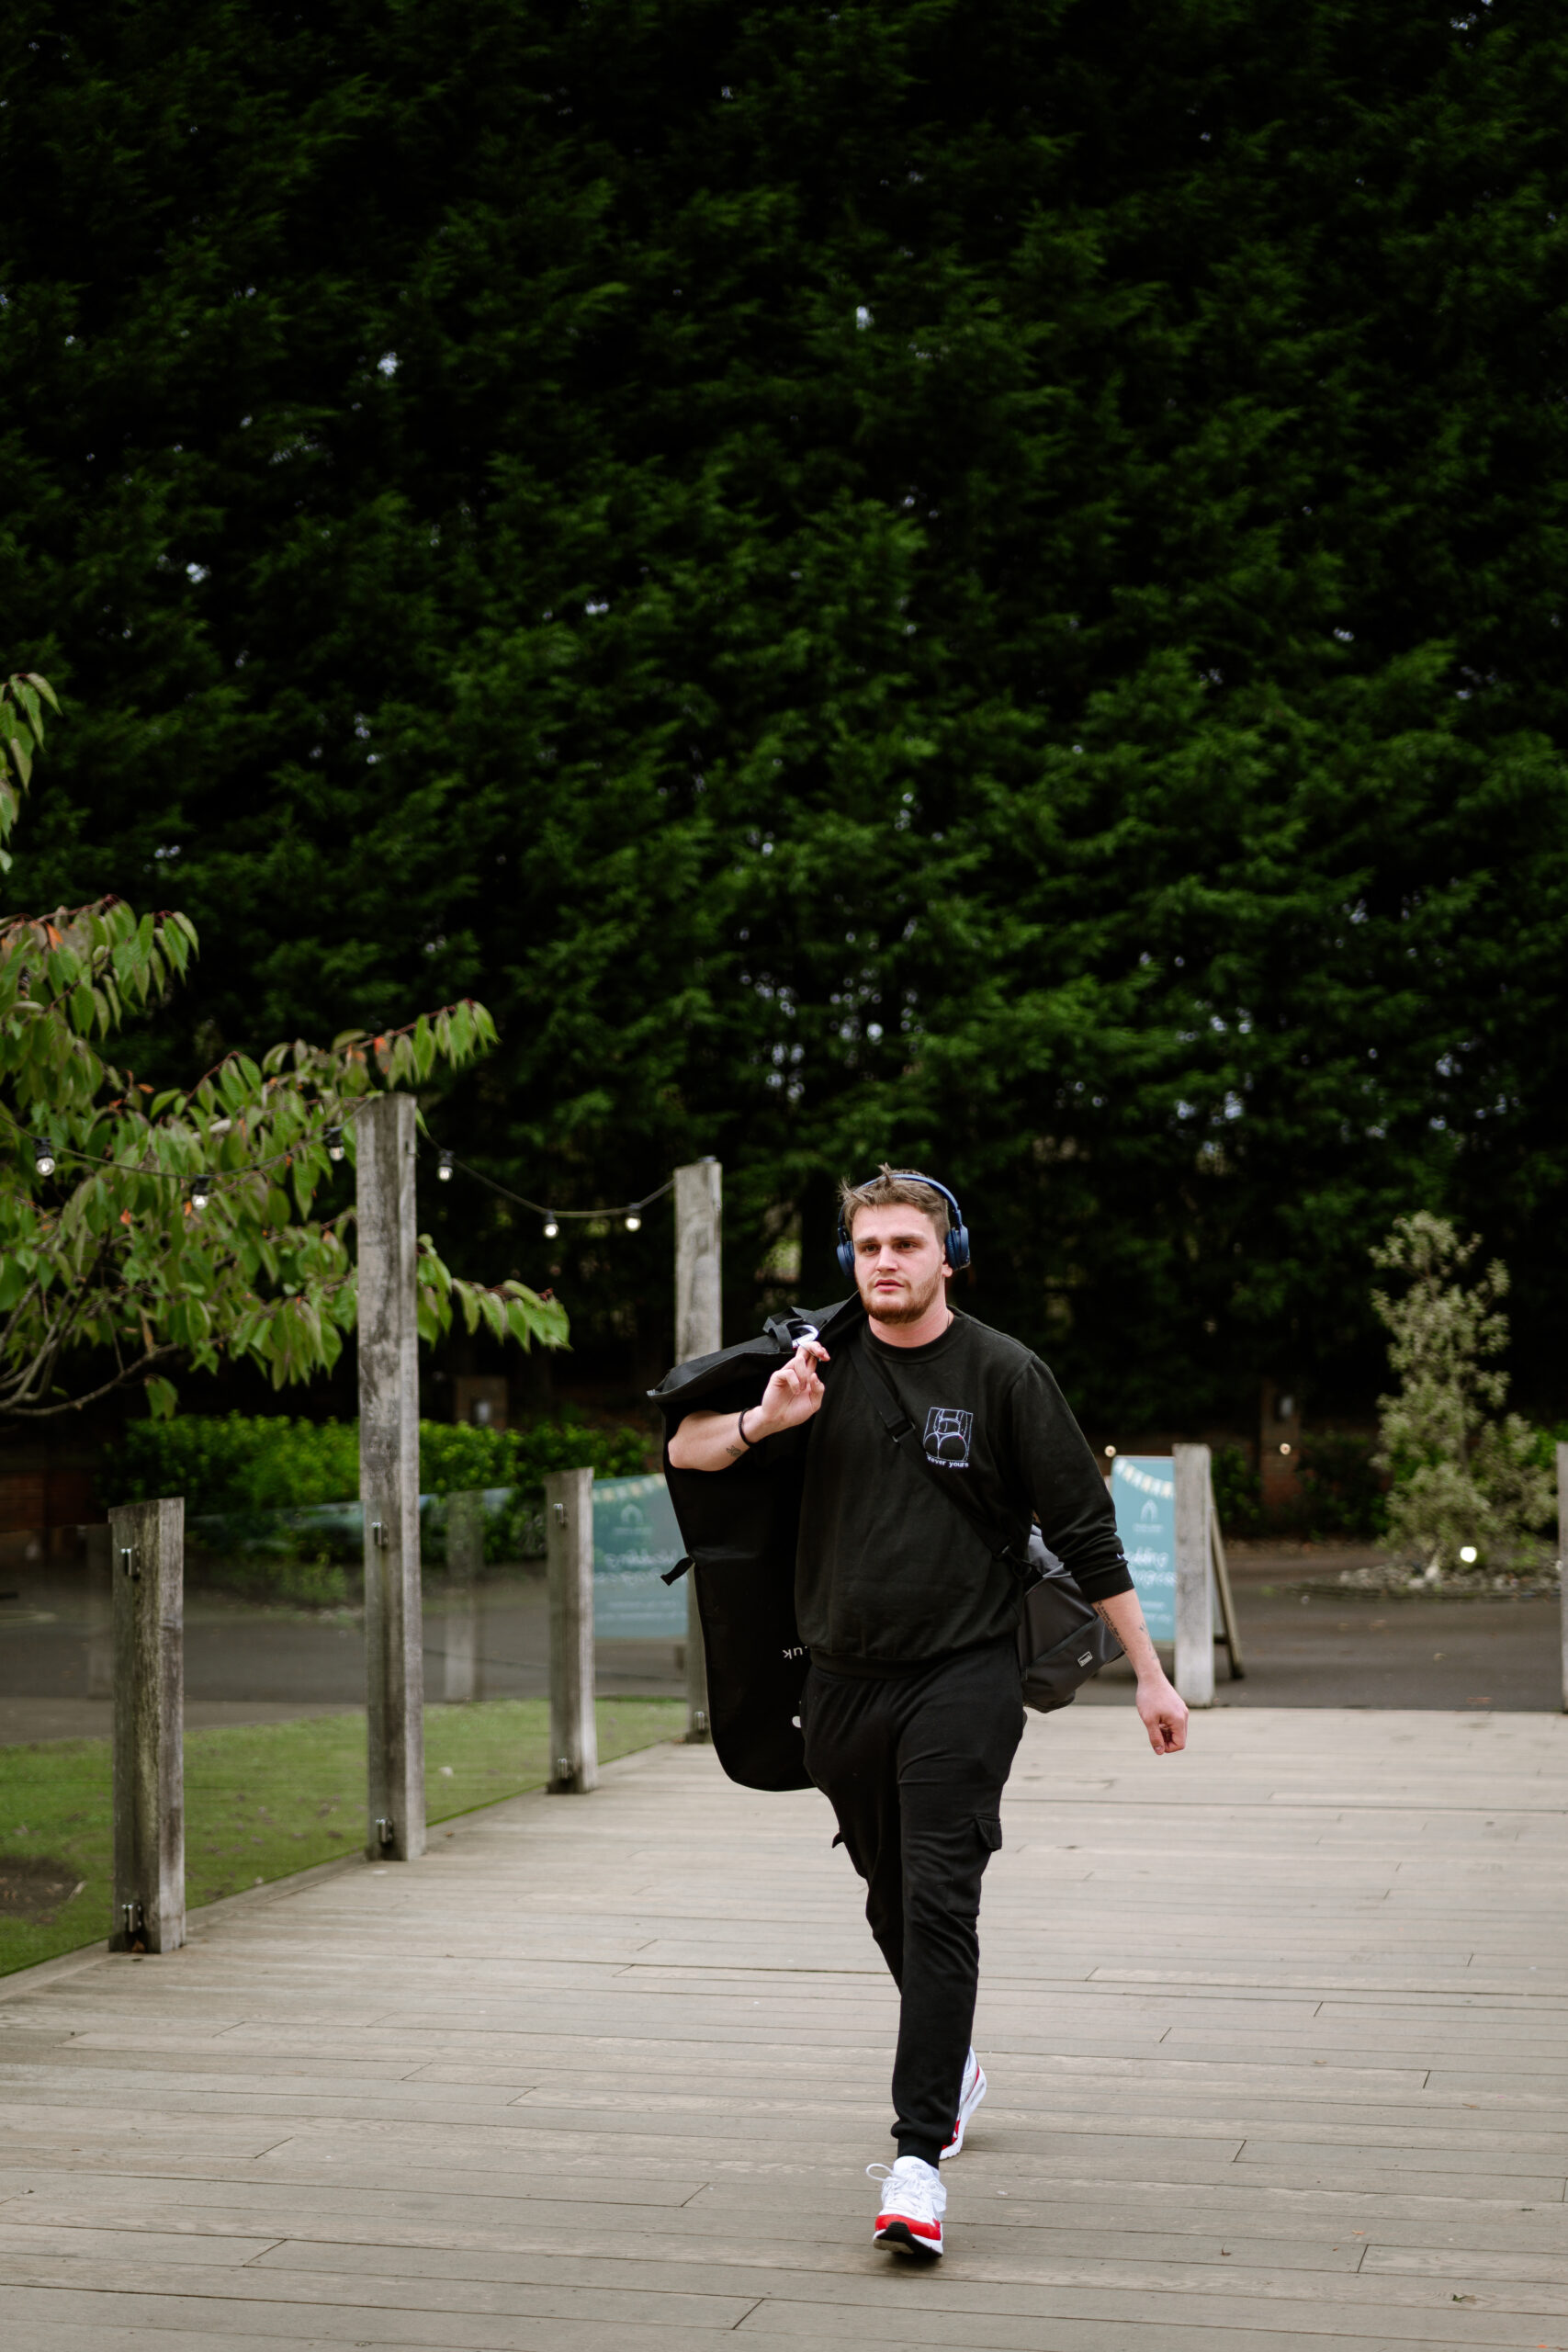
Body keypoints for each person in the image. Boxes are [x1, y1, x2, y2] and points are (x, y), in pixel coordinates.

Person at [667, 1166, 1188, 2257]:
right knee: (890, 1897)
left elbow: (1086, 1528)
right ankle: (956, 2061)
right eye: (869, 1249)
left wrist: (1148, 1670)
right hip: (842, 1677)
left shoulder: (1005, 1372)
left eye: (908, 1244)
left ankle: (916, 2160)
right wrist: (766, 1421)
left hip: (967, 1670)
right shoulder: (812, 1363)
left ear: (949, 1252)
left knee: (942, 1893)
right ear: (850, 1260)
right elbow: (686, 1448)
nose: (888, 1264)